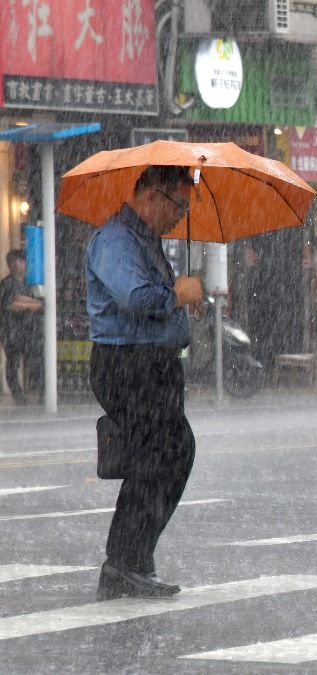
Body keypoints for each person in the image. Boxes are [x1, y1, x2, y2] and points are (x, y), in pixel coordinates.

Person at [86, 165, 203, 599]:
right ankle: (124, 562)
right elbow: (134, 298)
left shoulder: (146, 241)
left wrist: (179, 298)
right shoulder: (116, 239)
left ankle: (132, 559)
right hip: (127, 364)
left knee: (170, 451)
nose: (180, 217)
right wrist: (178, 295)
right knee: (160, 452)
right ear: (153, 195)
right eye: (179, 205)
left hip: (153, 364)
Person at [0, 249, 44, 404]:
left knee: (36, 359)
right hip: (11, 330)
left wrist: (31, 304)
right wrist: (31, 305)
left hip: (28, 329)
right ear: (13, 264)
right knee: (13, 363)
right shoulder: (6, 283)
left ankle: (42, 392)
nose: (24, 264)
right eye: (21, 261)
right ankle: (18, 395)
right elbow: (10, 303)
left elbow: (33, 301)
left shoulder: (28, 283)